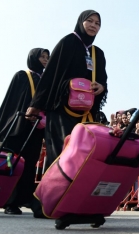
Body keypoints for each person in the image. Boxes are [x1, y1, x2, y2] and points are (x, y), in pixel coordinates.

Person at [26, 10, 107, 172]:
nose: (93, 26)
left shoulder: (97, 53)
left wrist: (101, 86)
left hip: (86, 113)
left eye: (97, 24)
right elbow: (50, 75)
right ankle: (54, 195)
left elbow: (103, 79)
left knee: (83, 157)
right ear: (81, 22)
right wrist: (35, 105)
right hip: (61, 111)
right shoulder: (67, 42)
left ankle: (76, 196)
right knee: (61, 155)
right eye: (89, 21)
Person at [0, 48, 49, 215]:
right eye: (42, 56)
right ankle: (8, 201)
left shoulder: (46, 79)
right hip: (19, 127)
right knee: (11, 164)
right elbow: (13, 102)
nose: (45, 60)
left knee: (29, 165)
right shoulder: (23, 76)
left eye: (47, 57)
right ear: (33, 58)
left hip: (36, 129)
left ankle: (24, 197)